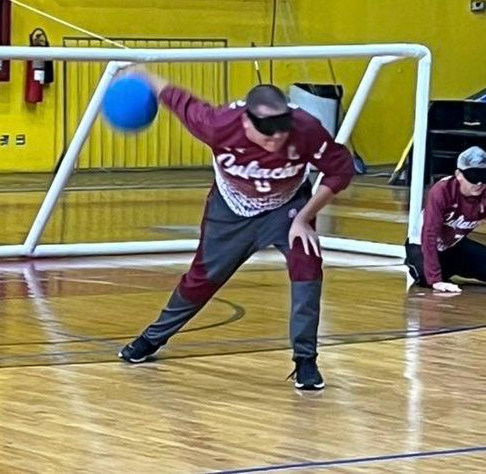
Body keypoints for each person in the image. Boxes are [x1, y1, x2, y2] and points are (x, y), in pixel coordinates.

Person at [116, 67, 356, 391]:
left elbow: (339, 171)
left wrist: (304, 218)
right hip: (231, 209)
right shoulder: (217, 124)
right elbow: (174, 97)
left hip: (287, 207)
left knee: (308, 265)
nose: (274, 144)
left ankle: (305, 360)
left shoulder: (306, 129)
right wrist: (141, 75)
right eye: (267, 137)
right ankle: (151, 339)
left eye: (281, 137)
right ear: (246, 123)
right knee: (201, 280)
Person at [404, 146, 486, 294]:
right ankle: (439, 272)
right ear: (459, 175)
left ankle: (451, 268)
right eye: (473, 177)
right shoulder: (441, 191)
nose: (479, 183)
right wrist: (435, 280)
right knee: (425, 277)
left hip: (454, 247)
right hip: (421, 246)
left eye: (484, 177)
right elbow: (429, 233)